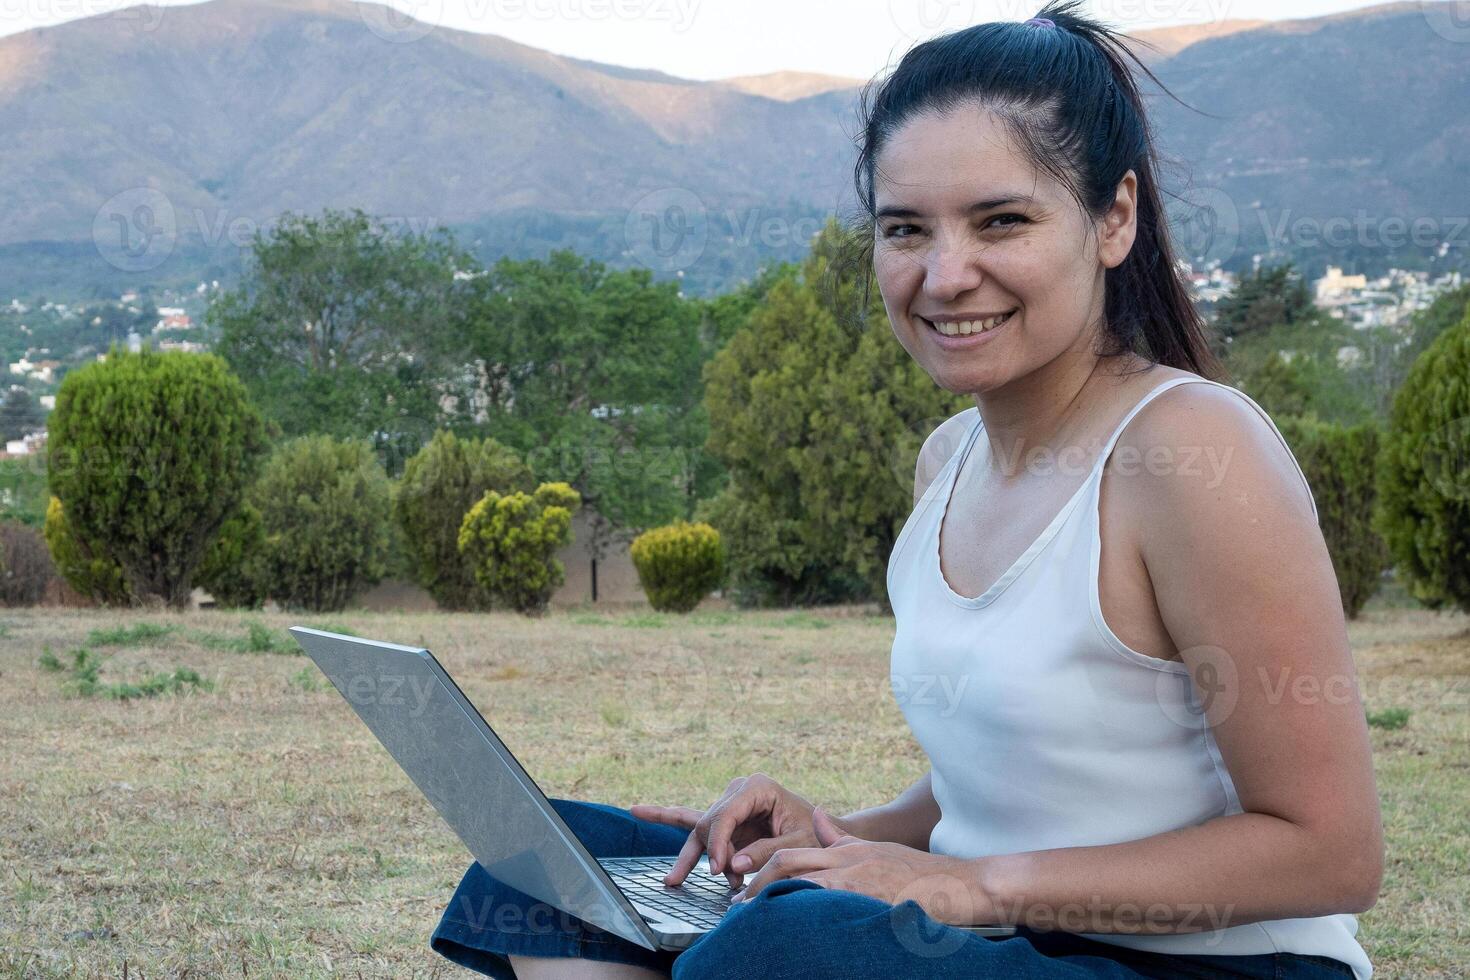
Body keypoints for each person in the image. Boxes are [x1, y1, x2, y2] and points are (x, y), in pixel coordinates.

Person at [429, 2, 1383, 976]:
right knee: (544, 856)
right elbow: (1020, 778)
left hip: (1207, 963)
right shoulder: (950, 457)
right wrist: (836, 835)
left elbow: (1330, 851)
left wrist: (976, 887)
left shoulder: (1190, 451)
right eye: (905, 229)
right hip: (1011, 945)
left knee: (780, 949)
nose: (945, 273)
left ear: (1114, 217)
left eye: (1000, 220)